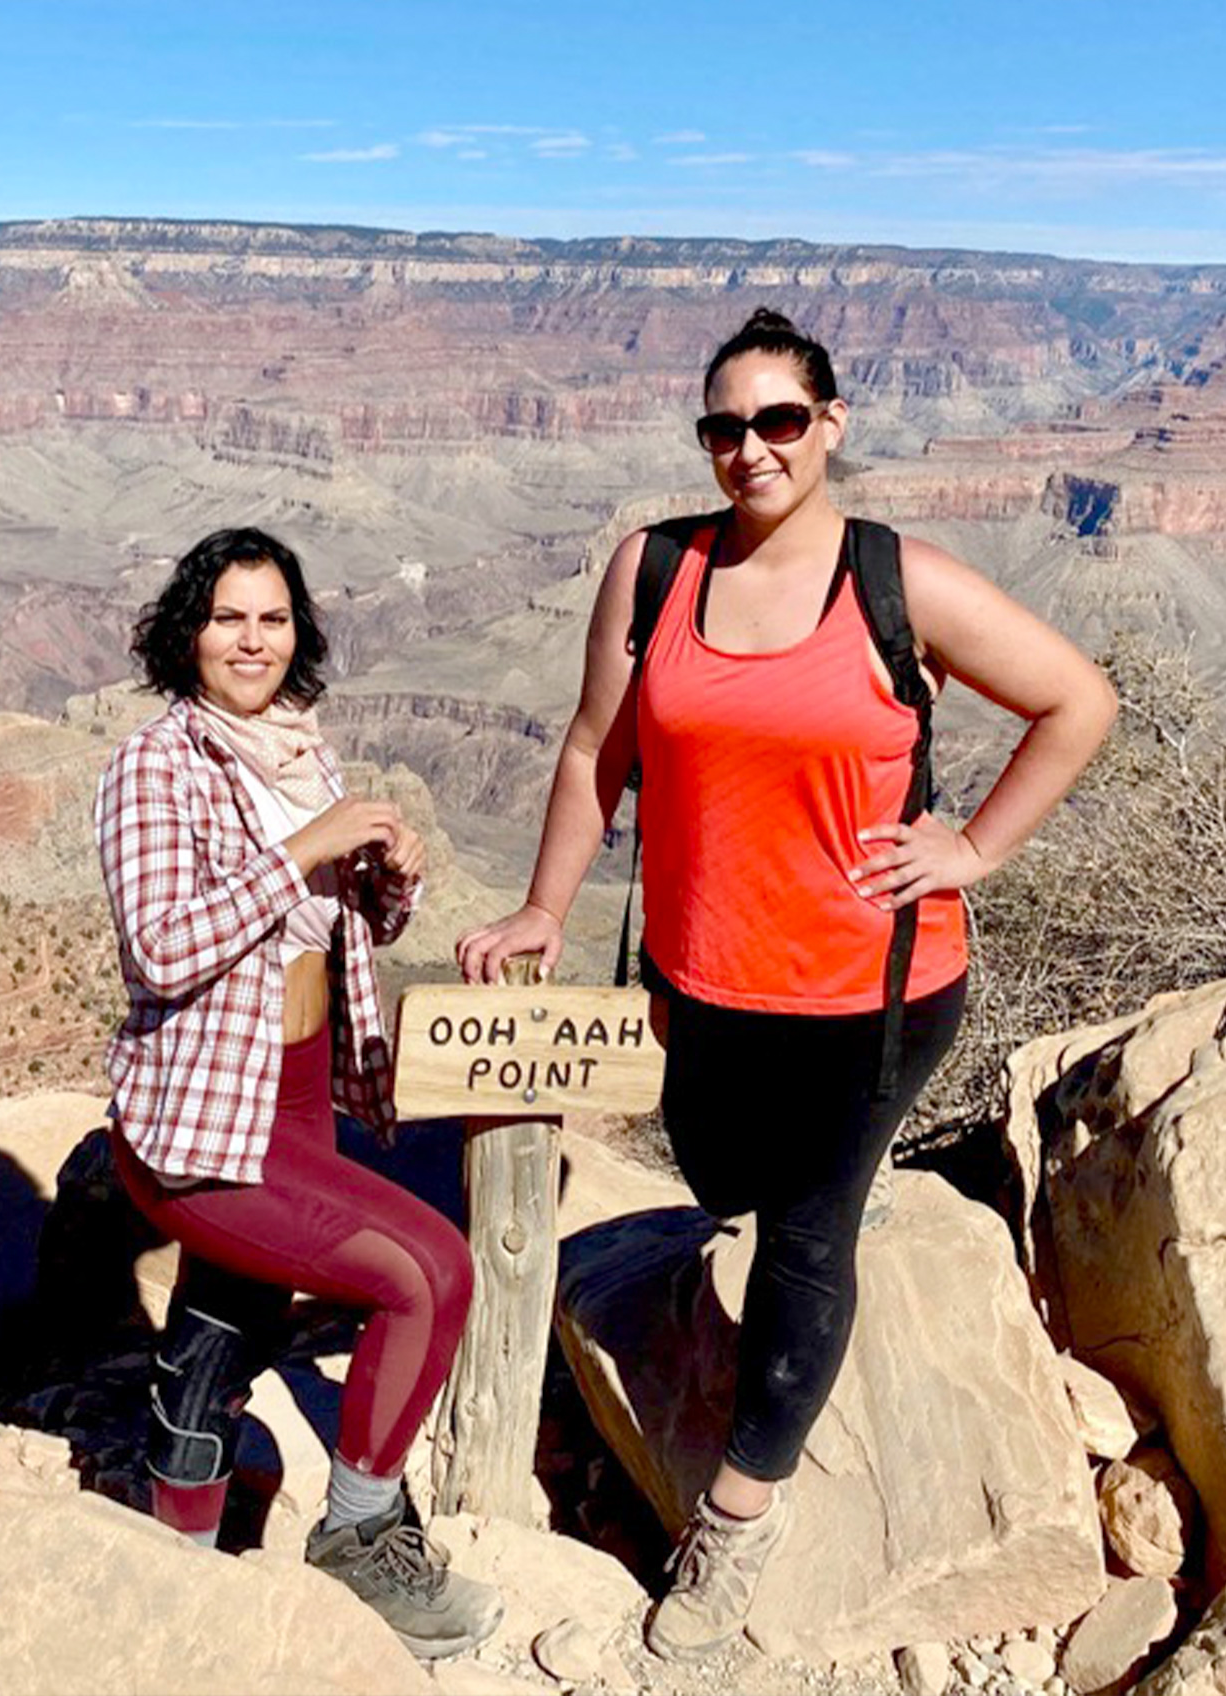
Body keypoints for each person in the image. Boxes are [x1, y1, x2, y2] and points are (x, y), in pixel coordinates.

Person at [457, 308, 1116, 1659]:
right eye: (723, 428)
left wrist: (974, 846)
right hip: (700, 982)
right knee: (723, 1188)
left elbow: (1076, 700)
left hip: (867, 992)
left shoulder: (898, 583)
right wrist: (541, 904)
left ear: (831, 426)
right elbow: (598, 746)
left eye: (779, 421)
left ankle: (736, 1530)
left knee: (809, 1238)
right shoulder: (654, 569)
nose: (749, 450)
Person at [96, 524, 502, 1661]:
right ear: (190, 629)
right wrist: (306, 847)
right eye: (229, 616)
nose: (252, 639)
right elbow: (162, 948)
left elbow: (333, 934)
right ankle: (360, 1537)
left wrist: (383, 888)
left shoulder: (296, 750)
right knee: (431, 1274)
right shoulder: (156, 763)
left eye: (273, 618)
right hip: (200, 1119)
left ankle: (177, 1542)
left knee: (230, 1313)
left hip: (297, 1092)